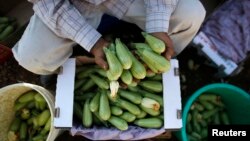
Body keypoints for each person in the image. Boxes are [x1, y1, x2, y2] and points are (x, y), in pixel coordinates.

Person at [12, 0, 206, 84]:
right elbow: (48, 4)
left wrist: (158, 24)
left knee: (191, 14)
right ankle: (75, 65)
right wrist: (93, 42)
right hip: (73, 5)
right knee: (31, 57)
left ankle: (156, 60)